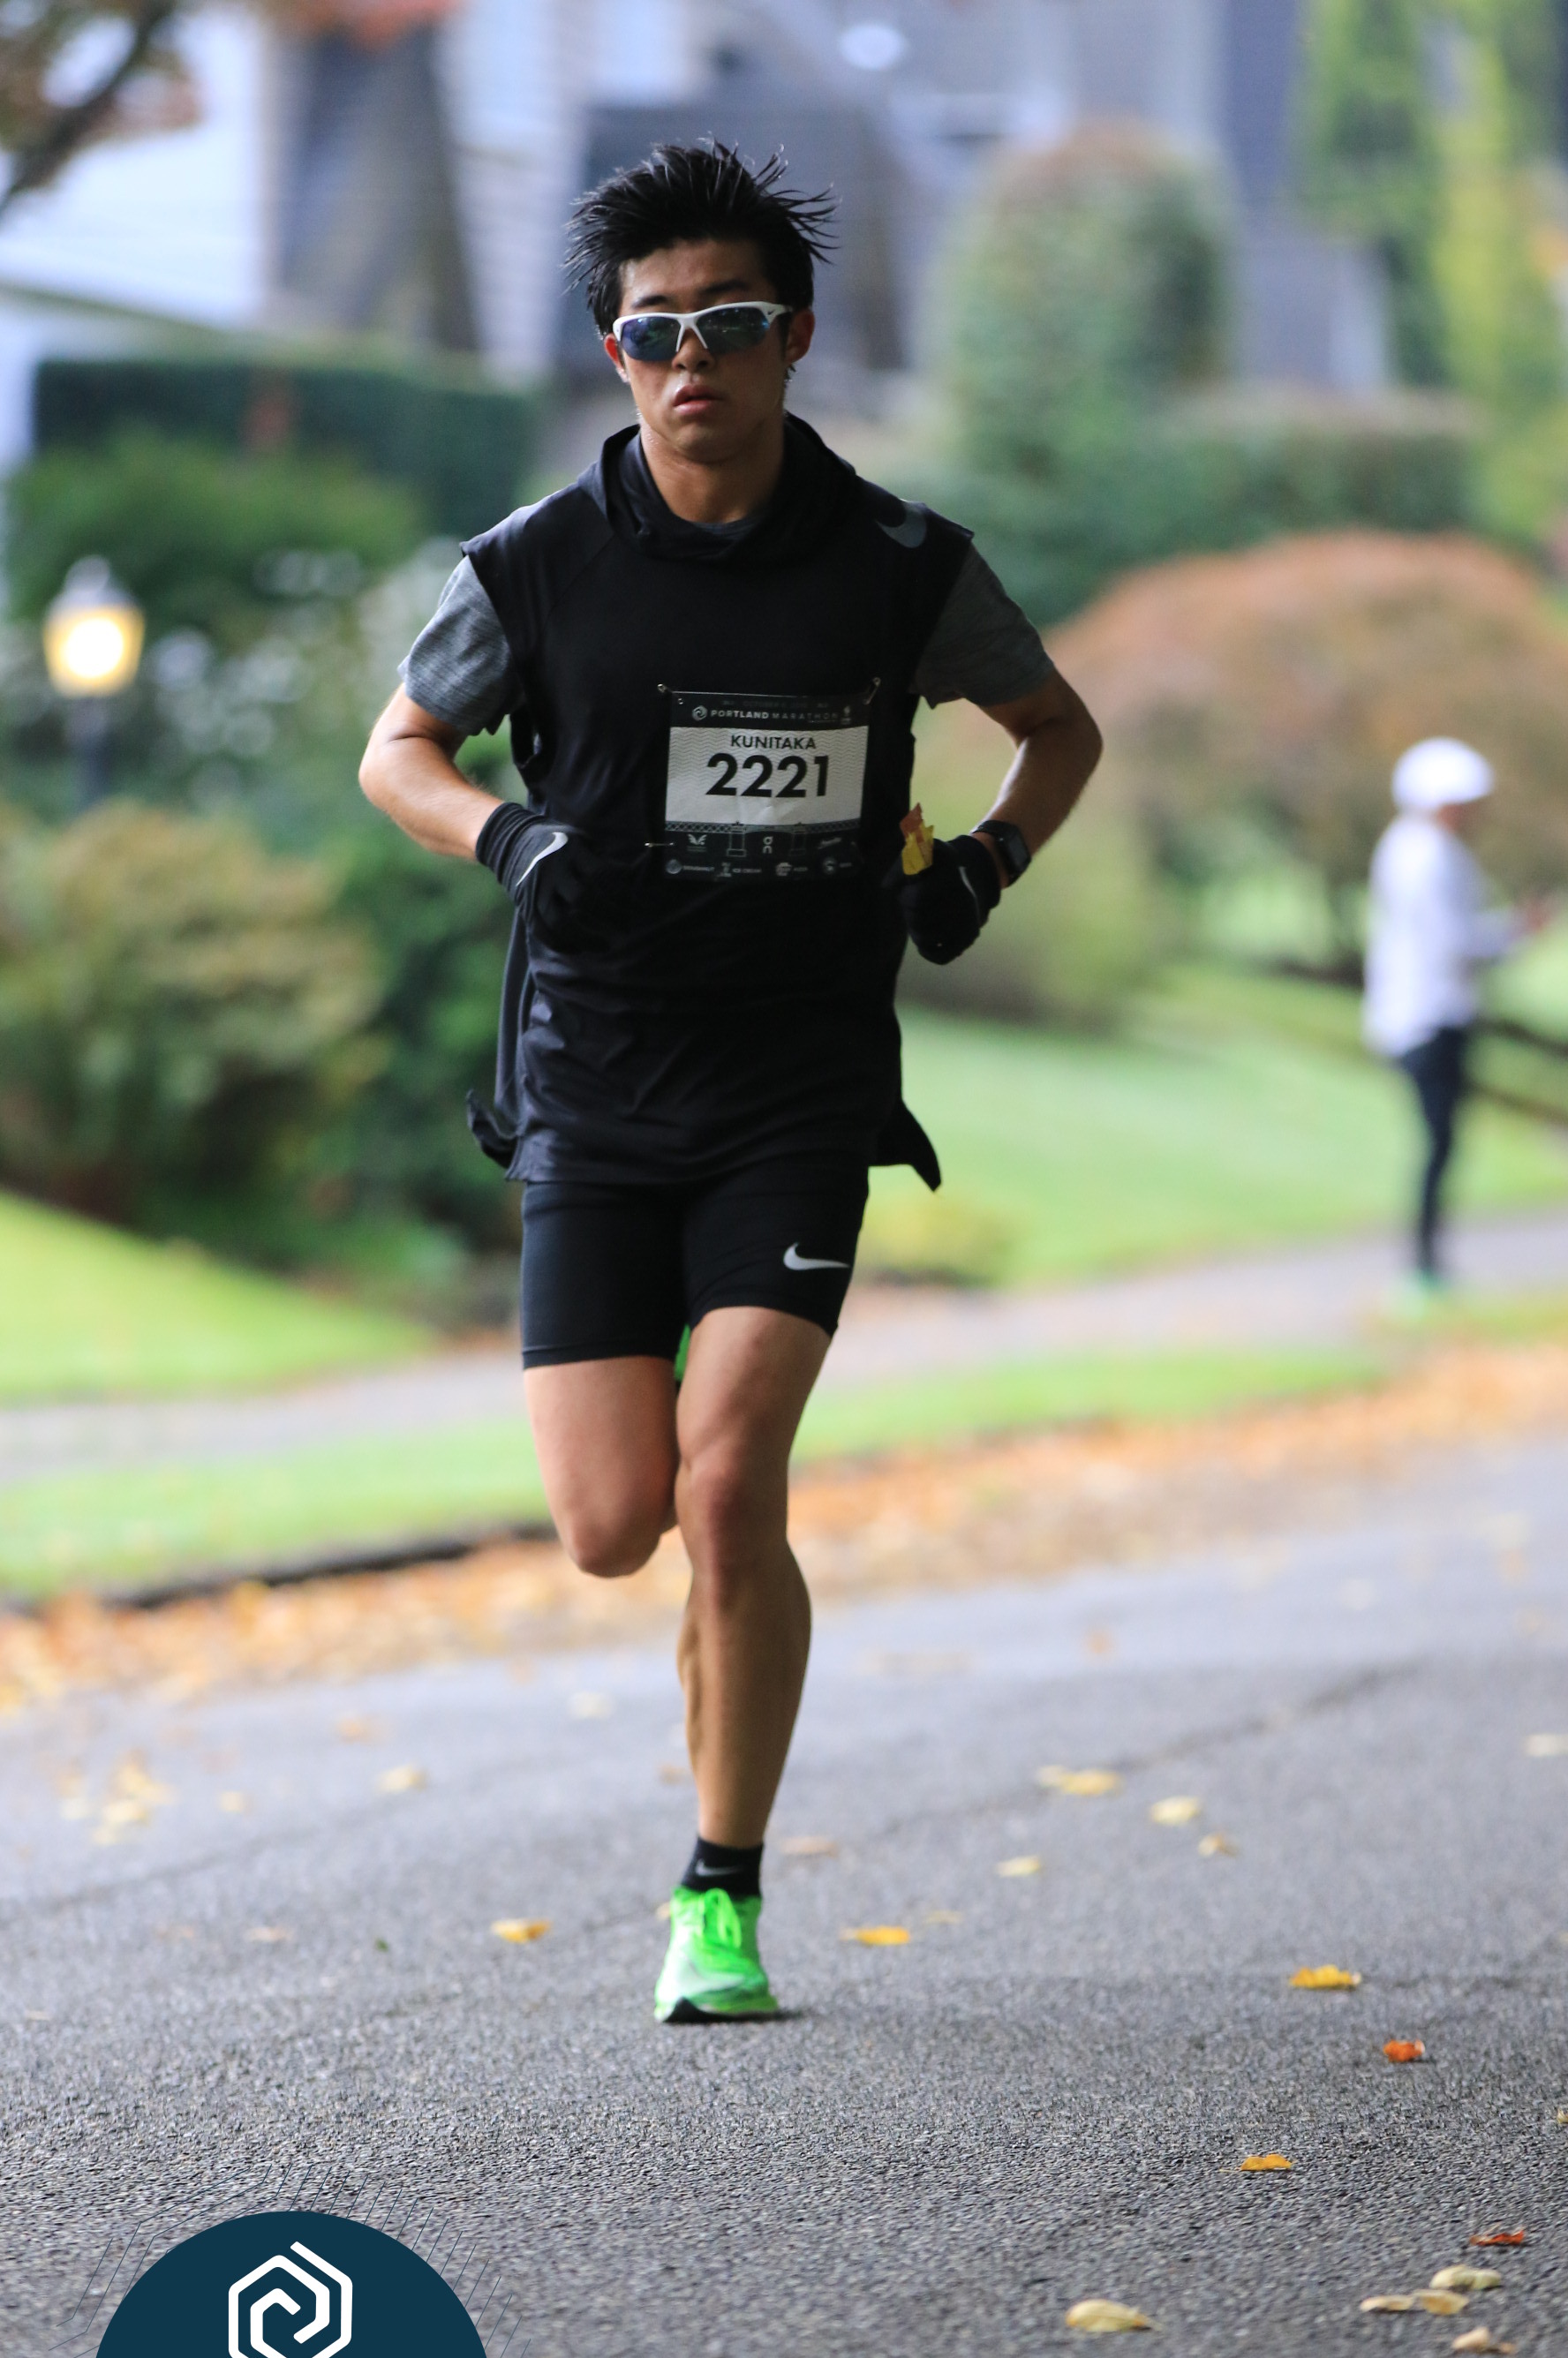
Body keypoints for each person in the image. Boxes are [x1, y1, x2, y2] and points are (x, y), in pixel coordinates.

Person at [358, 141, 1102, 2022]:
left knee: (730, 1475)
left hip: (798, 1086)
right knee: (615, 1521)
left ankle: (721, 1889)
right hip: (595, 1084)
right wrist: (507, 837)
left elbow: (1056, 728)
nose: (692, 358)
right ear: (614, 351)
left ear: (798, 338)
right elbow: (400, 749)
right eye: (655, 330)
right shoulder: (533, 564)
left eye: (732, 323)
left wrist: (982, 864)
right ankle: (705, 1712)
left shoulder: (899, 565)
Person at [1363, 736, 1537, 1293]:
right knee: (1438, 1140)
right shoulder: (1426, 856)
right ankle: (1423, 1265)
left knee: (1442, 1141)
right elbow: (1454, 945)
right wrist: (1516, 932)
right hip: (1428, 1016)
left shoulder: (1420, 849)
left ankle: (1428, 1261)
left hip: (1429, 1013)